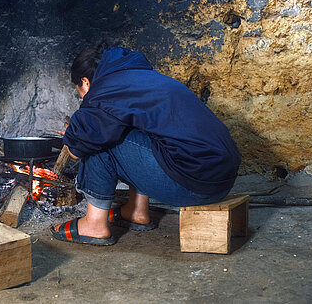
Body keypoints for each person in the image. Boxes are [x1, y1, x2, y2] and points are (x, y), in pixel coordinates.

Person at [51, 46, 241, 245]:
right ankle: (136, 211)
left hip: (194, 184)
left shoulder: (105, 91)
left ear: (85, 82)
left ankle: (94, 224)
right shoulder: (138, 78)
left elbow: (76, 150)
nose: (82, 97)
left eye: (79, 92)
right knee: (127, 128)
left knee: (95, 138)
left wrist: (75, 132)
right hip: (221, 180)